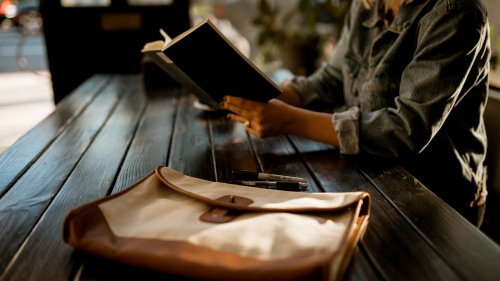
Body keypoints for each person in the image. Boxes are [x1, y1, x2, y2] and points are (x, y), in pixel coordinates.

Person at [219, 0, 491, 227]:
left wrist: (287, 119)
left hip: (440, 202)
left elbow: (405, 130)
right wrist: (257, 93)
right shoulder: (367, 5)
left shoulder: (457, 13)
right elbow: (332, 79)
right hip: (373, 179)